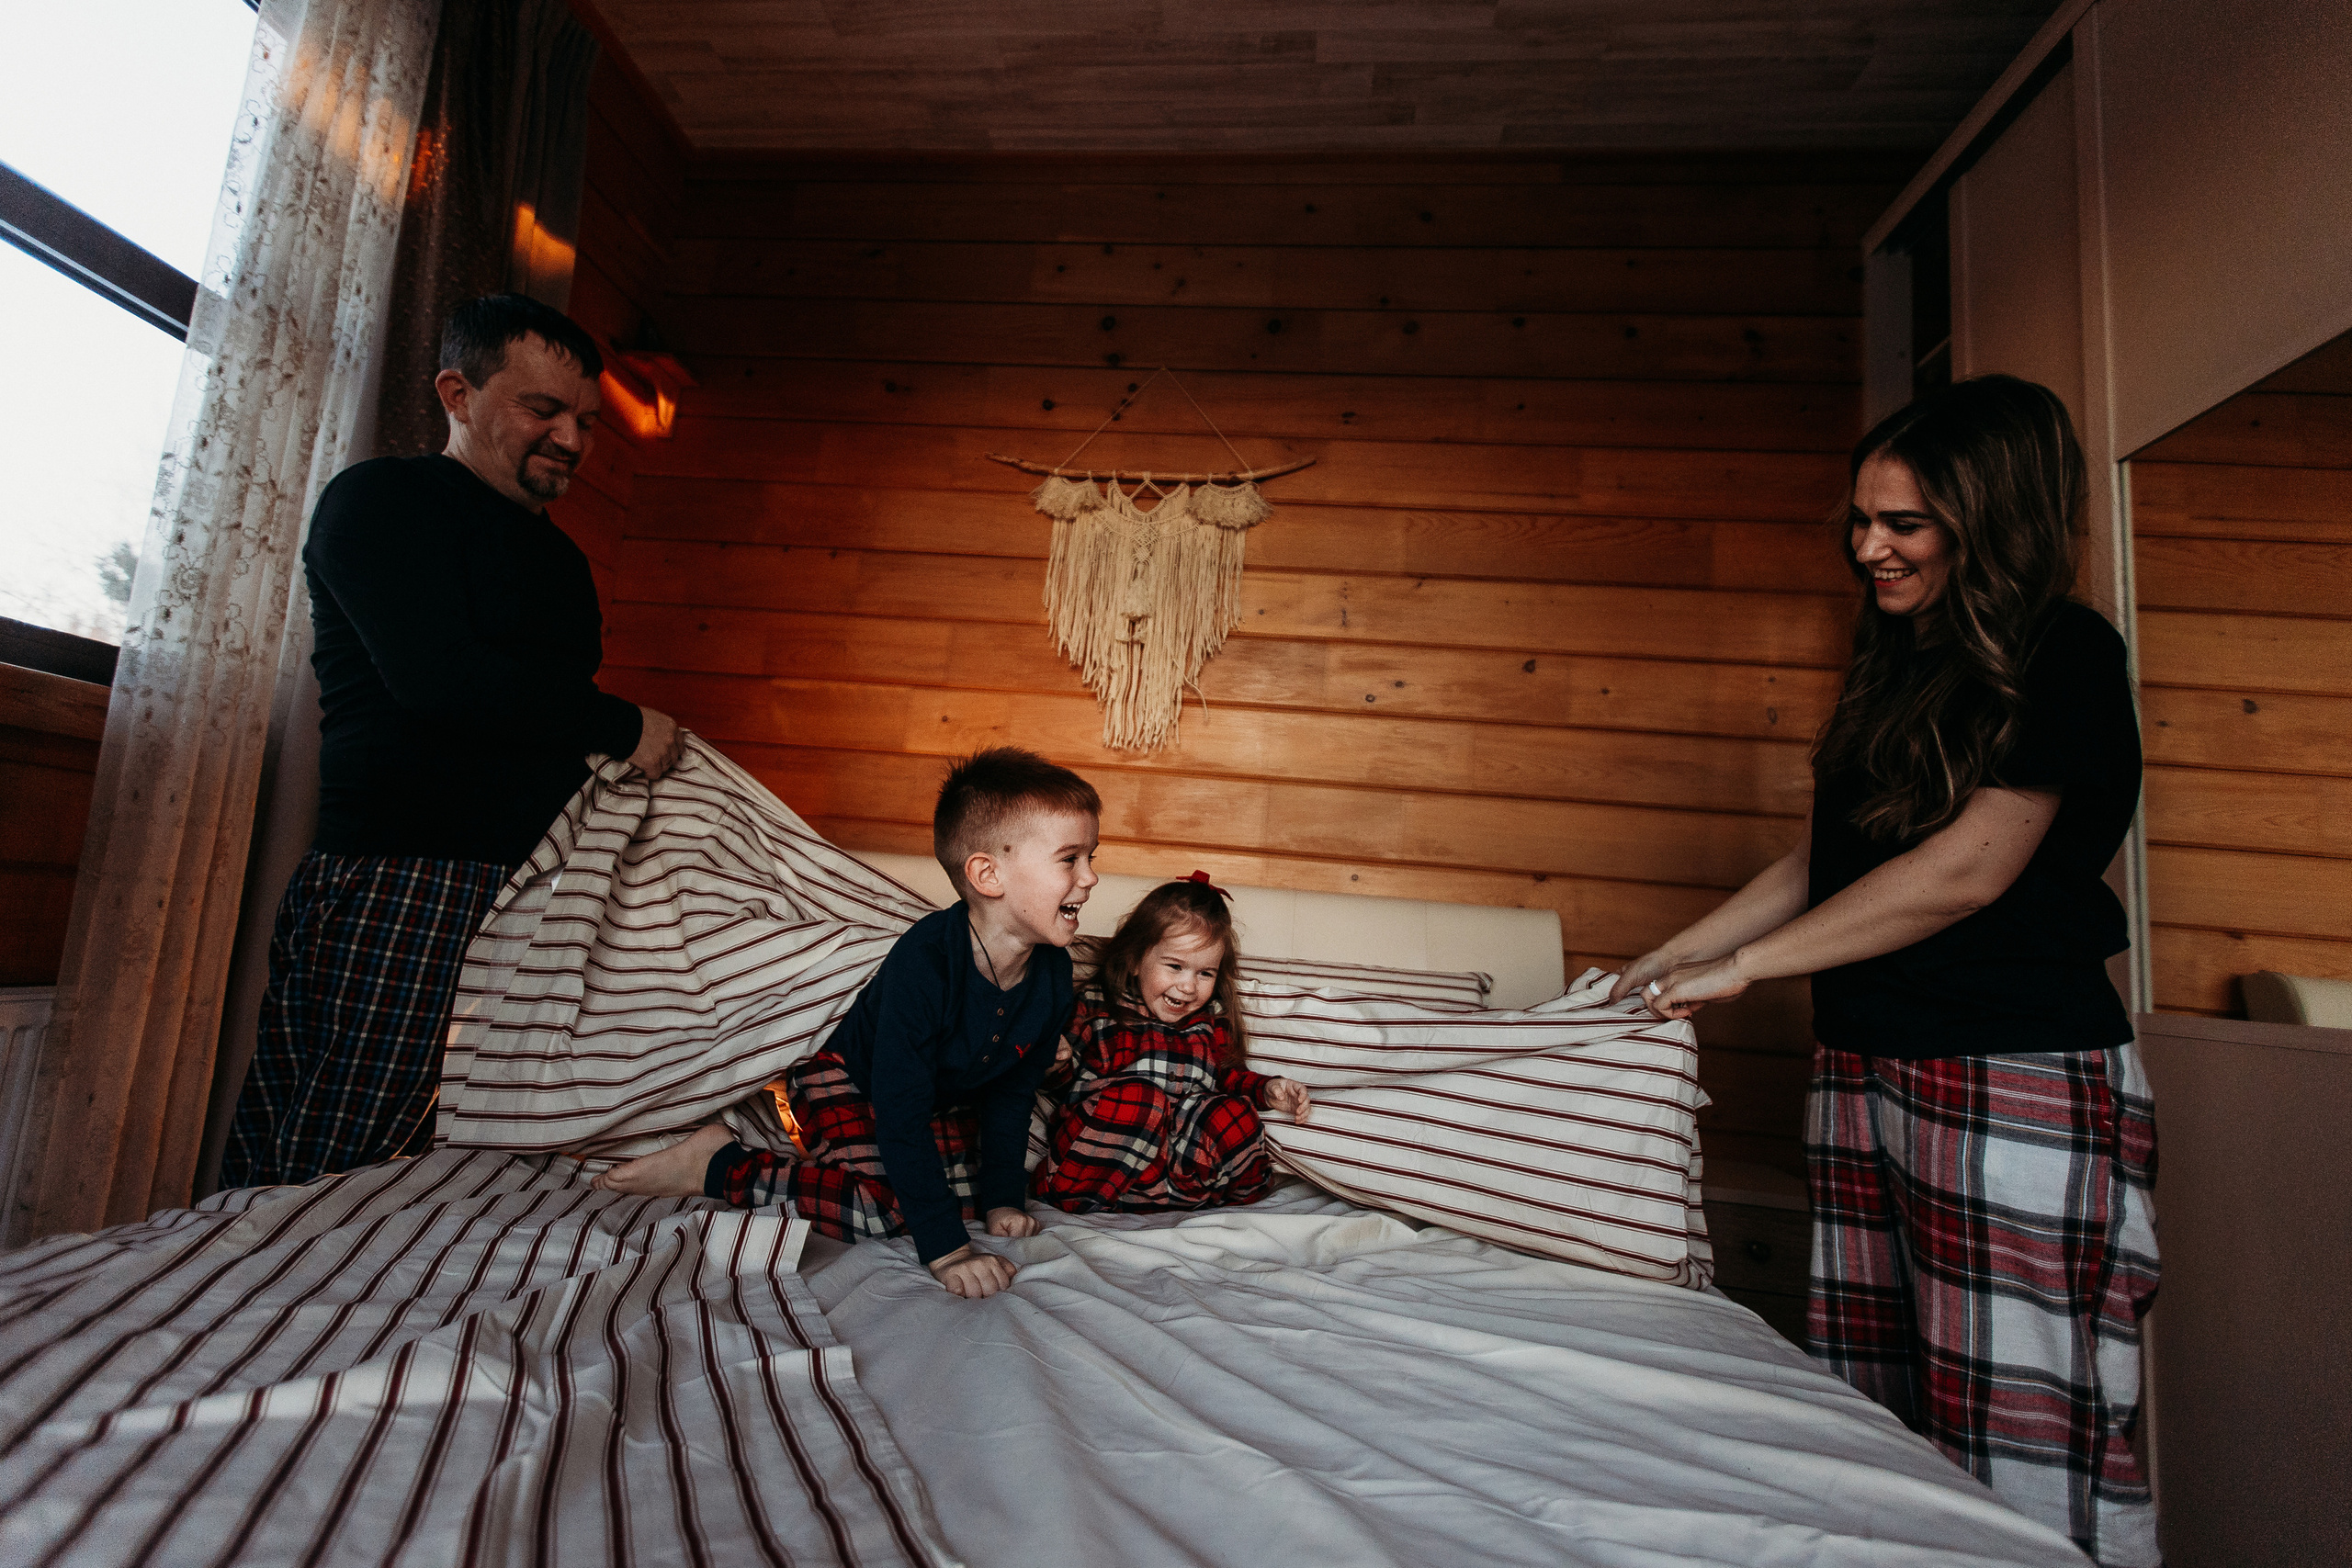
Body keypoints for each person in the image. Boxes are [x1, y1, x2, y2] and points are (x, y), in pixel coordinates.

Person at [1607, 375, 2157, 1566]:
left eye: (1901, 524)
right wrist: (1676, 955)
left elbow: (1966, 868)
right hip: (1863, 1061)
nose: (1868, 547)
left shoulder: (2063, 651)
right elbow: (1833, 857)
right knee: (1873, 1396)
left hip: (2006, 1065)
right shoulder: (1900, 654)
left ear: (1986, 519)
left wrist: (1746, 967)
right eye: (1860, 520)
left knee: (2014, 1415)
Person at [220, 295, 684, 1190]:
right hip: (403, 875)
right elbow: (443, 683)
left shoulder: (561, 563)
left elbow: (545, 717)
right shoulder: (382, 502)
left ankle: (333, 1317)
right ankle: (236, 1313)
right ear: (458, 395)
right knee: (330, 1156)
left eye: (584, 421)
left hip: (519, 889)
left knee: (425, 1169)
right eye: (541, 409)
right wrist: (627, 726)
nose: (571, 440)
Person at [595, 747, 1100, 1301]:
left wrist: (1002, 1197)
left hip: (935, 1096)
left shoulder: (1050, 970)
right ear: (988, 874)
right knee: (883, 1210)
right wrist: (949, 1250)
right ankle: (720, 1166)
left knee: (968, 1188)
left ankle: (962, 1192)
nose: (1091, 877)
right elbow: (899, 1112)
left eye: (1090, 857)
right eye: (1070, 859)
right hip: (851, 1078)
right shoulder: (926, 963)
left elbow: (1011, 1089)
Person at [1032, 874, 1310, 1214]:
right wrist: (1055, 1063)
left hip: (1181, 1176)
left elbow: (1229, 1077)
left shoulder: (1210, 1020)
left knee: (1232, 1114)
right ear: (1135, 960)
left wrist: (1267, 1090)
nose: (1188, 986)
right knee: (1140, 1101)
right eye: (1175, 966)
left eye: (1204, 973)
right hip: (1104, 1164)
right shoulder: (1098, 1005)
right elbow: (1063, 1085)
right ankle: (1064, 1191)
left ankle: (1240, 1201)